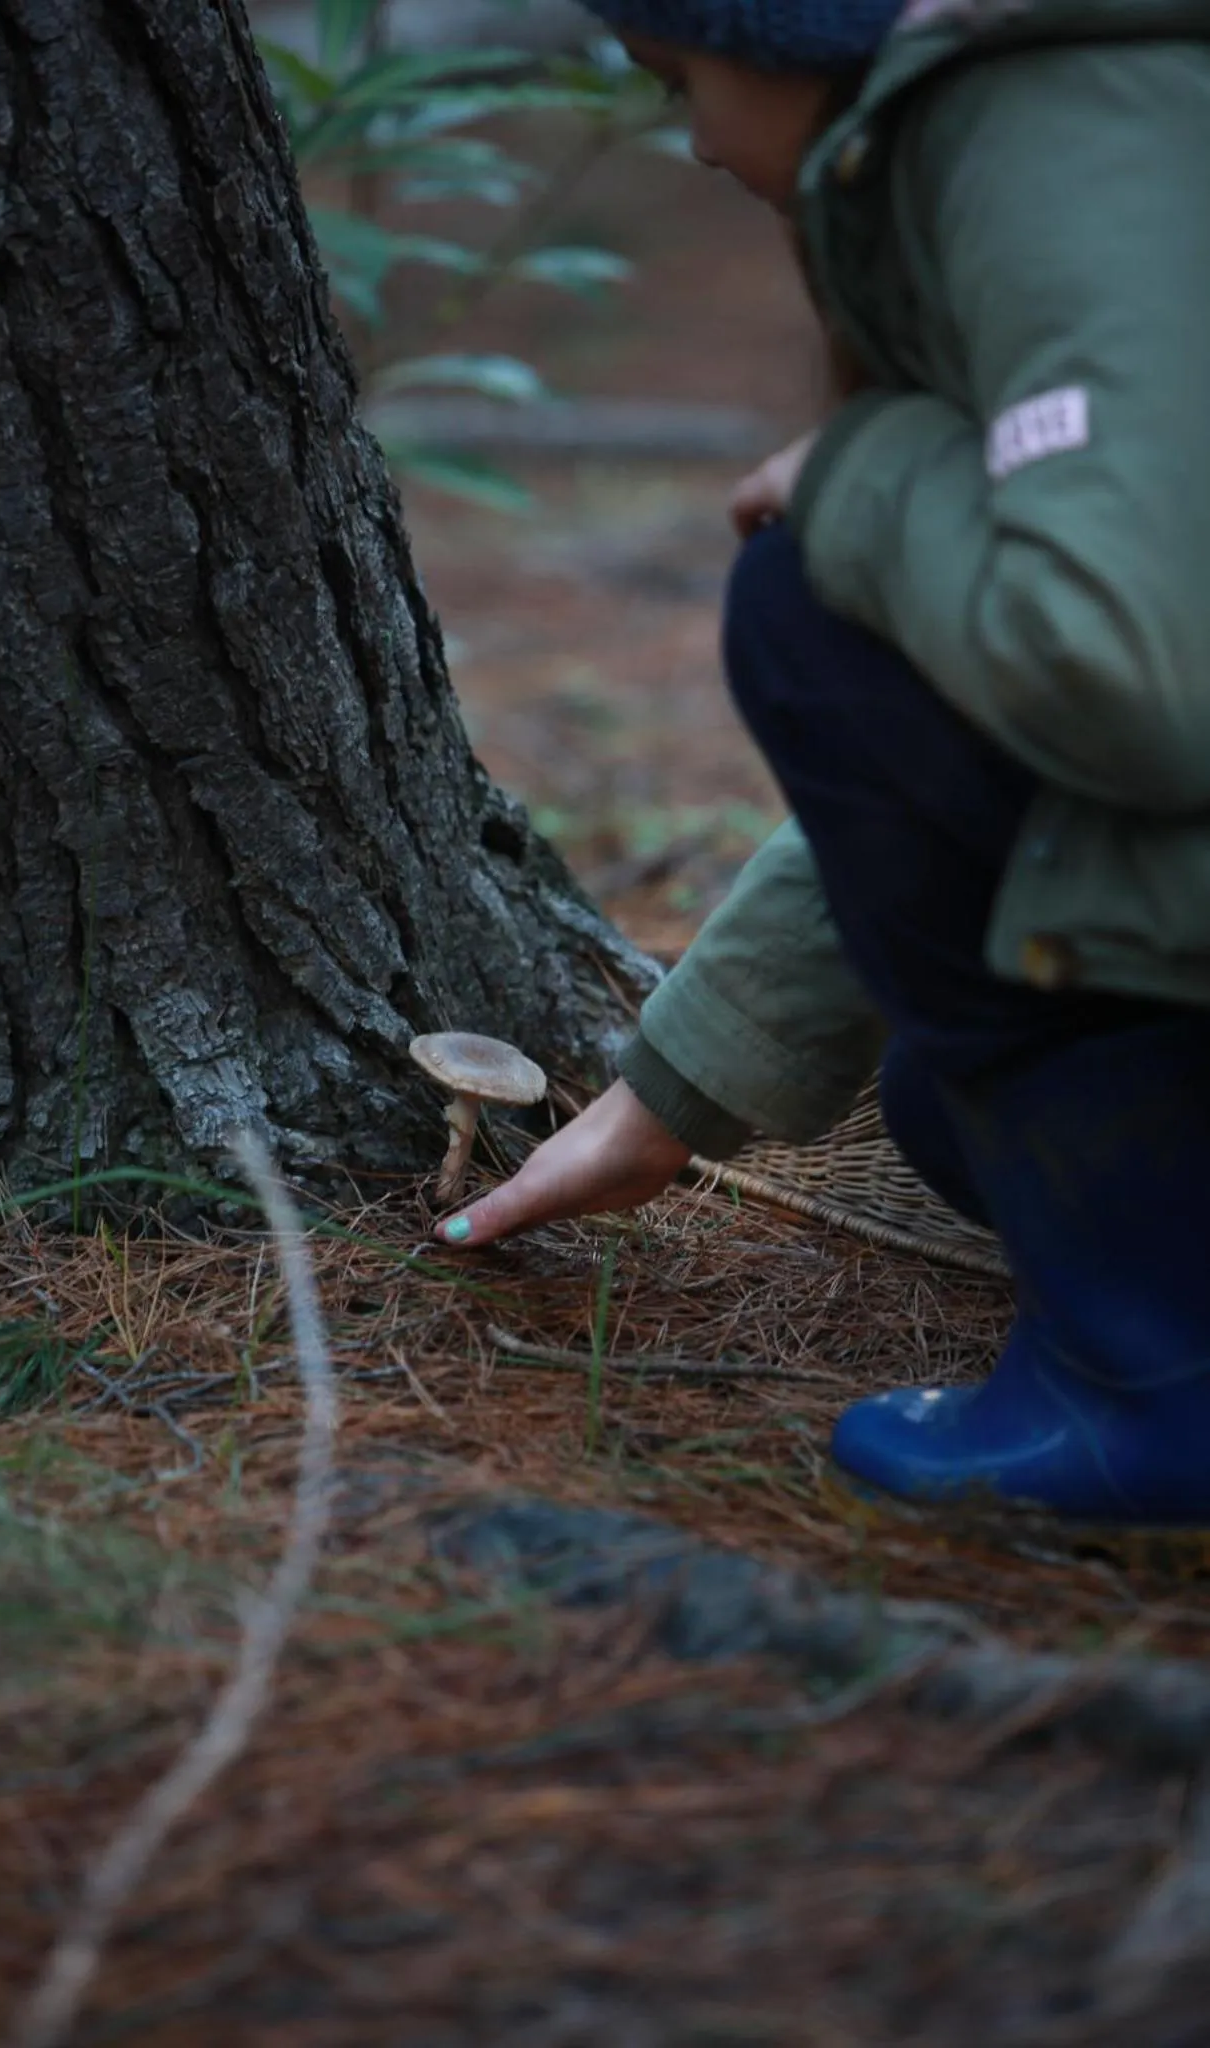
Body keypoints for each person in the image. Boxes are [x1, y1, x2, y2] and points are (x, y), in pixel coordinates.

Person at [438, 0, 1210, 1532]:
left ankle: (1156, 1399)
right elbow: (986, 737)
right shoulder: (1066, 106)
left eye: (679, 78)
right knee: (943, 1105)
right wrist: (677, 1092)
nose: (692, 142)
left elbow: (1123, 673)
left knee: (804, 611)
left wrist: (867, 471)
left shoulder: (1056, 144)